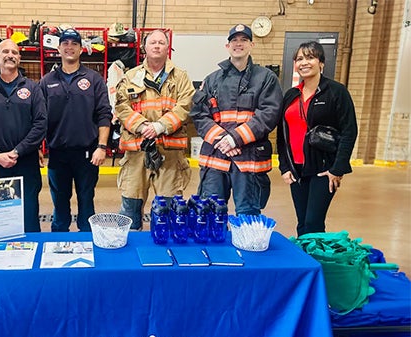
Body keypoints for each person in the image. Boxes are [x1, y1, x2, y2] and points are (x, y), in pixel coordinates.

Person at [190, 24, 282, 215]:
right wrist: (222, 139)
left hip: (249, 160)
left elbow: (269, 114)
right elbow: (199, 114)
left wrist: (234, 139)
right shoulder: (212, 79)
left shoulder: (266, 78)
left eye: (243, 40)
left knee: (248, 216)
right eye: (234, 40)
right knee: (210, 215)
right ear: (227, 46)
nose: (238, 44)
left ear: (251, 45)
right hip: (216, 159)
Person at [115, 29, 195, 230]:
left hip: (169, 153)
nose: (157, 46)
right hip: (137, 152)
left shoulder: (181, 77)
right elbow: (121, 106)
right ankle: (130, 252)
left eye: (161, 42)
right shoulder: (131, 76)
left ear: (168, 48)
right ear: (145, 47)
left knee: (166, 208)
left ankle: (164, 250)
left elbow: (185, 105)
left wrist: (160, 126)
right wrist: (142, 126)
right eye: (153, 42)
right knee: (130, 206)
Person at [277, 41, 358, 236]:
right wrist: (285, 166)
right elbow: (282, 134)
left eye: (310, 57)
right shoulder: (291, 95)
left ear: (321, 62)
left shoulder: (336, 92)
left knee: (313, 222)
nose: (304, 62)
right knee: (302, 222)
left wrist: (337, 169)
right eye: (299, 59)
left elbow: (349, 131)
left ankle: (316, 263)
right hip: (297, 168)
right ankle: (305, 263)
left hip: (323, 169)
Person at [39, 28, 112, 232]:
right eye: (65, 43)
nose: (69, 47)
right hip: (57, 154)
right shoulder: (47, 82)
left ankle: (88, 240)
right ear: (59, 49)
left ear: (81, 49)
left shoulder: (94, 79)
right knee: (60, 203)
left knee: (86, 200)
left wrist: (102, 146)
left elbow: (104, 114)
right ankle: (58, 241)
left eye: (74, 43)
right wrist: (37, 145)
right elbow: (39, 119)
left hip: (87, 154)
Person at [0, 39, 46, 232]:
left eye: (15, 52)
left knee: (29, 215)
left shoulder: (33, 89)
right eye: (5, 51)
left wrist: (17, 151)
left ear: (19, 58)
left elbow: (41, 125)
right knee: (0, 219)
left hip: (26, 163)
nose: (10, 55)